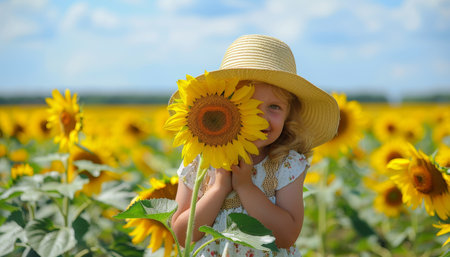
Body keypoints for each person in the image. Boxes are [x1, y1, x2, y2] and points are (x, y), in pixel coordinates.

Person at [170, 34, 340, 257]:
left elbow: (287, 235)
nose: (259, 118)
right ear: (224, 105)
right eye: (248, 104)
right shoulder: (199, 160)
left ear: (290, 113)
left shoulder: (286, 164)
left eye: (274, 107)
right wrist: (219, 187)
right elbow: (182, 235)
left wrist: (245, 186)